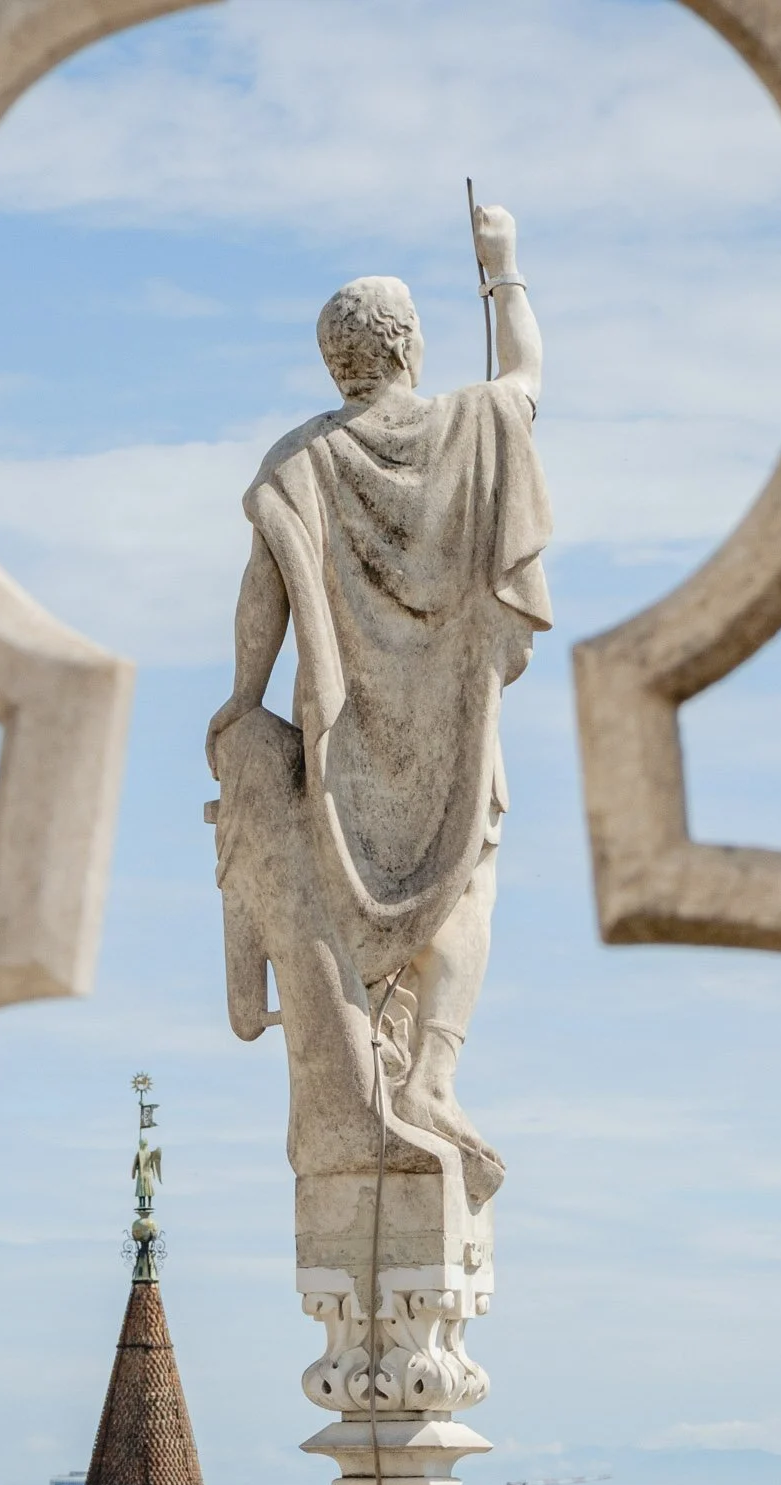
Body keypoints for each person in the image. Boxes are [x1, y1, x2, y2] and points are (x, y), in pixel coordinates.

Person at [207, 203, 551, 1208]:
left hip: (344, 734)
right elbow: (523, 377)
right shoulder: (470, 427)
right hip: (449, 725)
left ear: (333, 361)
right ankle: (428, 1076)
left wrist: (241, 700)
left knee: (353, 901)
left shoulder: (297, 462)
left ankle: (399, 1081)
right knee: (467, 879)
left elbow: (260, 590)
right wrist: (502, 269)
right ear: (409, 347)